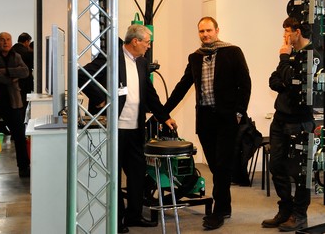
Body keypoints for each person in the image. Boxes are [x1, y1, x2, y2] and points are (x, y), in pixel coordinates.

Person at [79, 24, 177, 233]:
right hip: (114, 128)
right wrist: (100, 99)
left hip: (135, 127)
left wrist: (165, 117)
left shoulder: (142, 63)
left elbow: (149, 94)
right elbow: (82, 75)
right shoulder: (110, 57)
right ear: (135, 41)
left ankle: (134, 215)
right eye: (147, 42)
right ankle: (117, 220)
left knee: (136, 173)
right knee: (114, 175)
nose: (148, 46)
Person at [163, 16, 251, 230]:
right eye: (202, 31)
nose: (205, 35)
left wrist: (239, 112)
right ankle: (225, 206)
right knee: (214, 165)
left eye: (209, 30)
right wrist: (163, 111)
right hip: (205, 120)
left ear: (217, 30)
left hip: (227, 119)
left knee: (222, 165)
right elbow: (183, 86)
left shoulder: (232, 52)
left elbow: (245, 83)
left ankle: (218, 212)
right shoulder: (195, 57)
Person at [262, 17, 319, 232]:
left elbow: (296, 86)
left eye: (287, 32)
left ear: (297, 32)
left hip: (299, 122)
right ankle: (285, 210)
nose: (285, 37)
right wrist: (287, 79)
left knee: (300, 171)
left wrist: (284, 59)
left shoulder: (311, 55)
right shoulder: (291, 55)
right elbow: (274, 80)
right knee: (276, 166)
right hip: (280, 119)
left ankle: (299, 215)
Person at [0, 32, 30, 178]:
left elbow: (25, 72)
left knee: (20, 136)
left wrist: (5, 71)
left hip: (13, 103)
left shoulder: (16, 56)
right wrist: (10, 79)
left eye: (8, 39)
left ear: (11, 41)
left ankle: (24, 168)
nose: (5, 42)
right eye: (2, 40)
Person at [12, 32, 33, 112]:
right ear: (27, 41)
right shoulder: (27, 53)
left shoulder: (11, 50)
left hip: (13, 81)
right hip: (25, 82)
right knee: (23, 105)